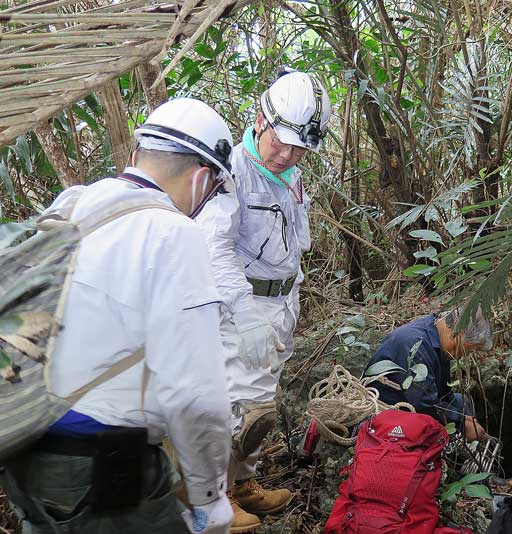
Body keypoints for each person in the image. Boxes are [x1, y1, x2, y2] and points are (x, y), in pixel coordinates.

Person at [0, 98, 235, 534]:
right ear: (203, 178)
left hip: (25, 448)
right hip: (103, 470)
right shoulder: (173, 233)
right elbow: (196, 395)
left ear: (135, 155)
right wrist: (209, 496)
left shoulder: (72, 206)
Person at [196, 68, 331, 529]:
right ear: (260, 119)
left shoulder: (289, 174)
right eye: (281, 142)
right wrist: (244, 313)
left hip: (280, 305)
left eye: (299, 148)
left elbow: (290, 242)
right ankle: (213, 500)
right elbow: (215, 248)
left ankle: (243, 485)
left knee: (262, 404)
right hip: (241, 307)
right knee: (237, 407)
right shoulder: (232, 172)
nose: (288, 154)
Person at [362, 306, 494, 441]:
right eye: (468, 350)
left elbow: (443, 395)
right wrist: (462, 426)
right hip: (391, 408)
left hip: (416, 400)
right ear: (458, 335)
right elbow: (424, 405)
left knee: (462, 402)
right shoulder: (414, 345)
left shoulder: (436, 335)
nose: (462, 356)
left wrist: (465, 419)